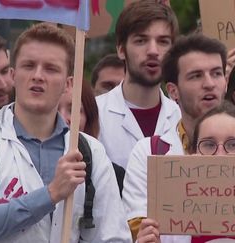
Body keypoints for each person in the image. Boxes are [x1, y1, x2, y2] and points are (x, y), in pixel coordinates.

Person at [0, 22, 130, 243]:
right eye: (29, 66)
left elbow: (112, 237)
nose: (38, 76)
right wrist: (50, 195)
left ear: (68, 84)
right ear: (13, 75)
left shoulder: (89, 152)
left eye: (51, 68)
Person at [123, 33, 228, 242]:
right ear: (173, 91)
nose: (209, 83)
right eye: (196, 76)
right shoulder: (150, 153)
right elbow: (136, 225)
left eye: (216, 73)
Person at [96, 0, 181, 169]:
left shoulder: (181, 118)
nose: (153, 51)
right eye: (141, 41)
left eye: (163, 41)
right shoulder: (95, 115)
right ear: (121, 49)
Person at [137, 102, 235, 243]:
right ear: (192, 153)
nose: (220, 154)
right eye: (209, 145)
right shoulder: (166, 219)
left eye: (232, 144)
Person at [58, 81, 125, 195]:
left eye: (73, 110)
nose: (63, 119)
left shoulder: (112, 175)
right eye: (54, 109)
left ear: (89, 117)